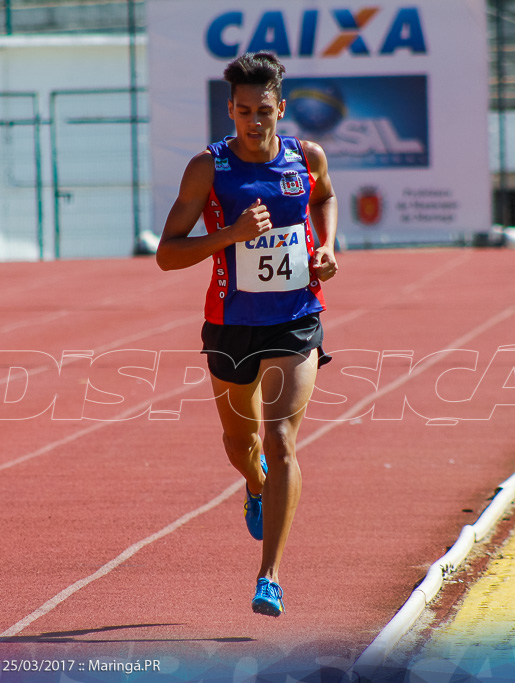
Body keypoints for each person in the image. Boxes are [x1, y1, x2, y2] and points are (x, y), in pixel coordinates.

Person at [155, 52, 338, 617]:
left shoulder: (306, 157)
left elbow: (325, 197)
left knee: (281, 438)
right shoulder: (207, 168)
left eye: (263, 111)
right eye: (242, 112)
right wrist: (230, 234)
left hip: (295, 318)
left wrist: (328, 246)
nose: (253, 123)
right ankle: (254, 488)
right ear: (229, 111)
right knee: (241, 447)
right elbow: (167, 254)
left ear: (281, 108)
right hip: (231, 324)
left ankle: (271, 576)